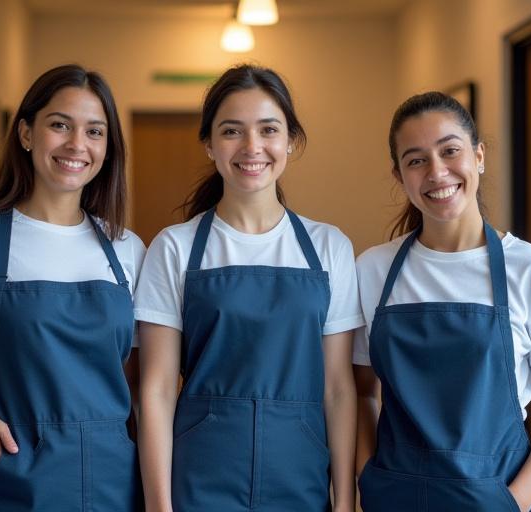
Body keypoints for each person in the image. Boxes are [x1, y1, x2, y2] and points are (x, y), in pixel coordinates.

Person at [0, 64, 145, 511]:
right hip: (9, 477)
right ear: (26, 133)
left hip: (111, 479)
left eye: (95, 131)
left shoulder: (127, 249)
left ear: (108, 148)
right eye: (60, 125)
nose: (77, 144)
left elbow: (137, 379)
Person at [353, 91, 531, 511]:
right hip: (395, 499)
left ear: (478, 156)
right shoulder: (371, 270)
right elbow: (361, 393)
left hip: (497, 500)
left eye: (450, 151)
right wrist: (367, 481)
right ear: (399, 176)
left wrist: (512, 502)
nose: (437, 172)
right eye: (416, 160)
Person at [135, 64, 363, 512]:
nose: (252, 147)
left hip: (300, 479)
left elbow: (338, 388)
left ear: (291, 141)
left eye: (268, 130)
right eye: (232, 131)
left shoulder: (328, 247)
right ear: (209, 144)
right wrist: (159, 507)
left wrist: (344, 501)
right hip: (199, 478)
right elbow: (157, 389)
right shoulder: (175, 248)